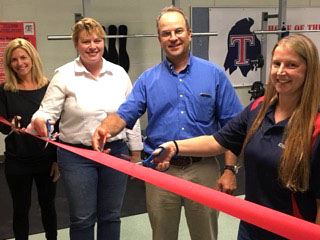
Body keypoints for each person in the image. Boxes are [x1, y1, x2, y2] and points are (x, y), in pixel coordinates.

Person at [92, 6, 243, 240]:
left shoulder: (213, 75)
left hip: (203, 170)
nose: (173, 38)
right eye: (166, 33)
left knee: (206, 236)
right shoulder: (147, 79)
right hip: (160, 171)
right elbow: (123, 115)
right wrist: (104, 128)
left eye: (178, 31)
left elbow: (233, 127)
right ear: (159, 39)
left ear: (189, 34)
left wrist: (229, 169)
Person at [153, 34, 320, 239]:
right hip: (251, 227)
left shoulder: (316, 126)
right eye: (276, 63)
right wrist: (175, 146)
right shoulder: (259, 109)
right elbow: (217, 141)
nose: (281, 71)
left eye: (292, 65)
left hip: (292, 232)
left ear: (308, 71)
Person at [31, 18, 143, 240]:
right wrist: (39, 120)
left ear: (103, 42)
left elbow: (131, 114)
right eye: (86, 41)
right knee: (83, 217)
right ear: (76, 44)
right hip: (76, 155)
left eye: (97, 40)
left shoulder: (118, 73)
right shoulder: (64, 74)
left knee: (111, 215)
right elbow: (46, 112)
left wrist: (136, 152)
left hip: (116, 151)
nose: (93, 46)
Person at [0, 38, 59, 240]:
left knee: (48, 206)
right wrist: (11, 123)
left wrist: (57, 161)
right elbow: (2, 126)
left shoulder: (49, 88)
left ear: (32, 58)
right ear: (9, 64)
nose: (20, 63)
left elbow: (59, 128)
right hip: (17, 162)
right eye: (14, 60)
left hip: (46, 160)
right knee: (21, 209)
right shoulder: (5, 90)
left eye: (23, 57)